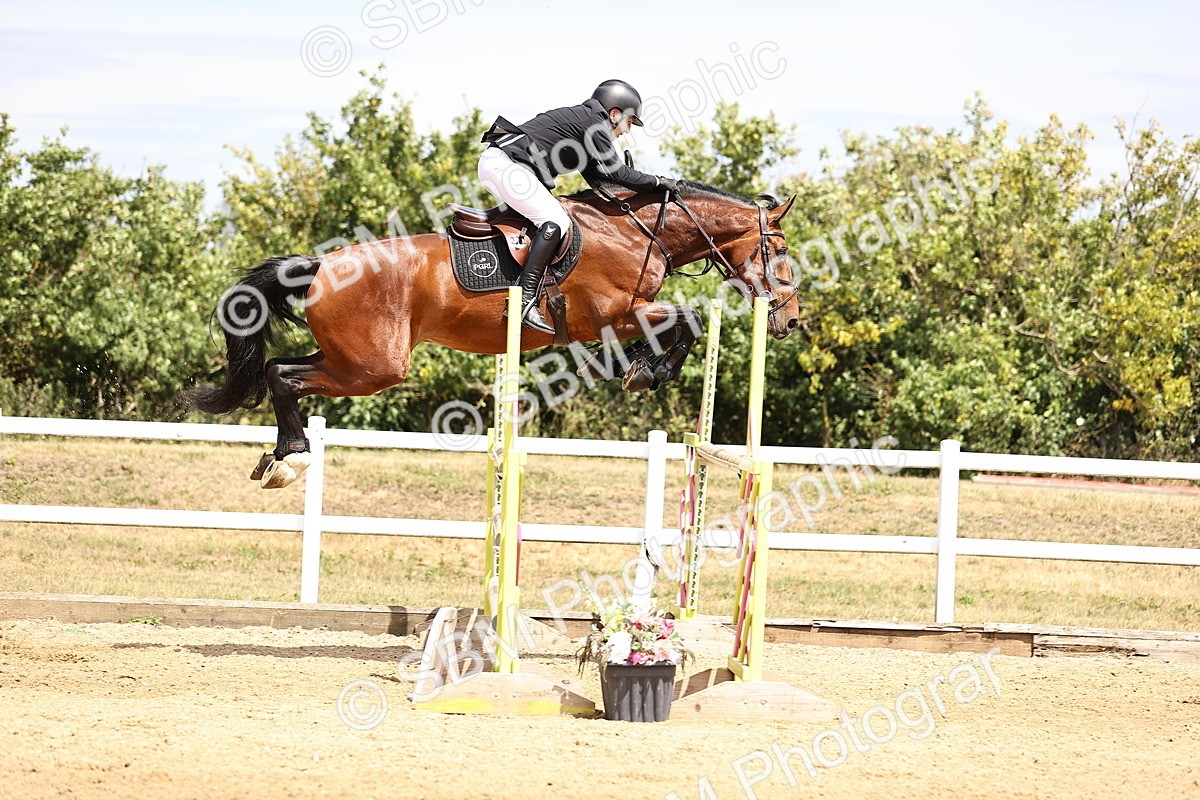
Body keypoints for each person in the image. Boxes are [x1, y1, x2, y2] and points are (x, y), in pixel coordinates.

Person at [479, 79, 680, 333]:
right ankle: (525, 301)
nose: (626, 131)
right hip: (504, 165)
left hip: (505, 165)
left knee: (553, 217)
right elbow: (617, 172)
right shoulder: (595, 124)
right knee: (556, 221)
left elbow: (600, 179)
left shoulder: (588, 124)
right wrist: (658, 182)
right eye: (629, 122)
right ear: (614, 113)